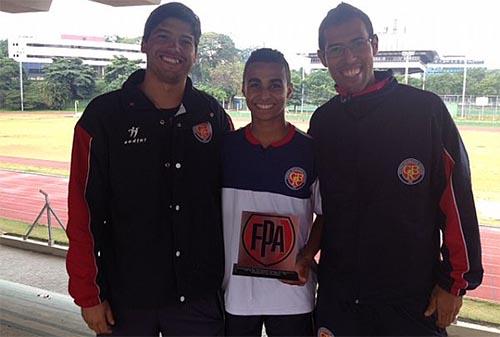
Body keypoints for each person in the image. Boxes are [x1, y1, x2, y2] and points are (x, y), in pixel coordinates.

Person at [309, 3, 483, 336]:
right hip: (339, 297)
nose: (349, 58)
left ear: (373, 45)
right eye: (336, 49)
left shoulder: (425, 111)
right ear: (323, 56)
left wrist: (455, 282)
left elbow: (457, 199)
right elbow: (318, 207)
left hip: (410, 300)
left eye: (358, 44)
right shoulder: (324, 121)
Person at [66, 2, 233, 336]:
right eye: (164, 36)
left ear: (195, 53)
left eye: (186, 41)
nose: (175, 48)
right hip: (126, 300)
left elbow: (231, 203)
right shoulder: (103, 118)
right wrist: (88, 295)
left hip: (199, 299)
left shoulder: (214, 116)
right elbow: (83, 211)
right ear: (144, 43)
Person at [221, 48, 323, 337]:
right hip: (237, 294)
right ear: (243, 89)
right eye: (255, 84)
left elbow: (325, 214)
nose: (264, 94)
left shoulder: (310, 151)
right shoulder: (225, 149)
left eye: (275, 84)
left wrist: (306, 257)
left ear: (289, 90)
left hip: (293, 295)